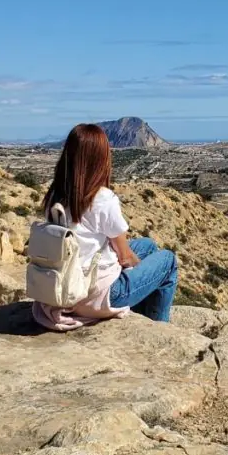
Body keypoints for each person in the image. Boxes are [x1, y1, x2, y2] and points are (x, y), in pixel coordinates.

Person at [31, 123, 178, 331]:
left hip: (67, 286)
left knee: (148, 245)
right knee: (168, 261)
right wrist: (139, 269)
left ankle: (141, 305)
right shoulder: (101, 198)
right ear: (100, 159)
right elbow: (125, 257)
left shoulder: (56, 194)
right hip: (96, 296)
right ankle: (158, 326)